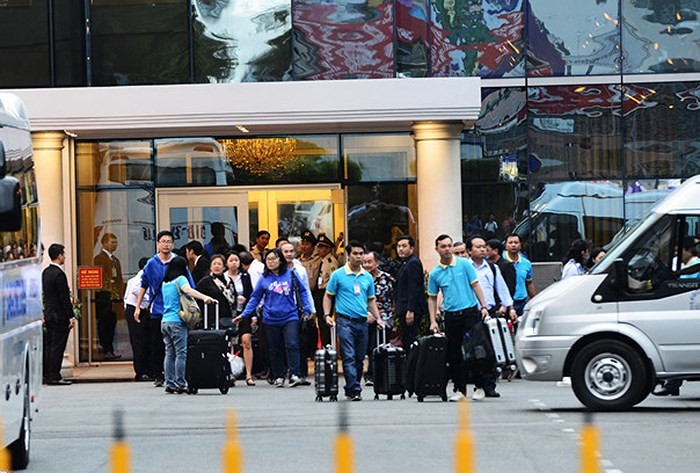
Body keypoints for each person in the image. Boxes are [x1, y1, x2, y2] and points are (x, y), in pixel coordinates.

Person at [233, 249, 311, 388]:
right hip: (270, 318)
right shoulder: (264, 278)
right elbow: (255, 298)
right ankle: (278, 375)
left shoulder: (291, 274)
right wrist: (244, 314)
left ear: (280, 260)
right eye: (268, 259)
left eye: (274, 259)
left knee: (292, 344)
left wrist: (307, 308)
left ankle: (294, 374)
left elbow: (303, 291)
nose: (271, 262)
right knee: (275, 348)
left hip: (290, 315)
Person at [427, 234, 490, 402]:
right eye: (443, 246)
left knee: (474, 350)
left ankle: (479, 386)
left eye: (449, 245)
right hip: (451, 315)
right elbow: (432, 297)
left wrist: (483, 306)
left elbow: (475, 285)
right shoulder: (435, 273)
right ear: (437, 249)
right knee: (454, 354)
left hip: (470, 312)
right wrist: (433, 321)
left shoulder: (464, 264)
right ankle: (460, 389)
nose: (447, 249)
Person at [323, 241, 386, 401]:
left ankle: (352, 386)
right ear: (348, 255)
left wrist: (378, 318)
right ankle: (354, 389)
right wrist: (326, 315)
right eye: (355, 253)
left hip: (362, 321)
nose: (358, 257)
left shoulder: (367, 277)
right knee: (349, 355)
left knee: (359, 357)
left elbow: (371, 300)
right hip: (345, 320)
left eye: (361, 254)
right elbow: (328, 295)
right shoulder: (338, 274)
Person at [135, 230, 195, 387]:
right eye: (163, 241)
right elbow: (144, 284)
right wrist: (138, 307)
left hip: (177, 310)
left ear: (173, 244)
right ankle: (159, 375)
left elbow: (189, 285)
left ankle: (177, 376)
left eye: (169, 241)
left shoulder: (178, 262)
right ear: (158, 244)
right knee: (158, 345)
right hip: (158, 309)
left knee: (178, 346)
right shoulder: (151, 263)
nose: (166, 244)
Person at [466, 236, 515, 398]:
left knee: (492, 350)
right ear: (469, 251)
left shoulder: (492, 268)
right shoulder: (466, 268)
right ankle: (478, 383)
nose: (482, 250)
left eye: (483, 247)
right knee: (476, 351)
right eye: (478, 247)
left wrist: (509, 307)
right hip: (472, 313)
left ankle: (489, 385)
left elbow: (502, 289)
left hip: (490, 313)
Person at [161, 256, 215, 393]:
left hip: (165, 321)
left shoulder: (165, 283)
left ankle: (170, 382)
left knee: (169, 352)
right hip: (177, 321)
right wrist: (205, 297)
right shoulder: (180, 279)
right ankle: (180, 383)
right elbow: (188, 290)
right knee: (181, 353)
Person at [280, 241, 315, 384]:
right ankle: (283, 373)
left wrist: (311, 309)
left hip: (298, 308)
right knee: (286, 343)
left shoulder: (300, 269)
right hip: (282, 309)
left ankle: (300, 373)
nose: (288, 254)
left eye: (291, 251)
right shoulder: (276, 269)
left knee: (300, 341)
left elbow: (306, 289)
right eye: (285, 251)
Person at [42, 243, 75, 385]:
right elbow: (64, 298)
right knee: (58, 346)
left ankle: (48, 374)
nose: (65, 256)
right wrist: (70, 316)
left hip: (49, 313)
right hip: (59, 315)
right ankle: (54, 375)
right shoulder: (59, 274)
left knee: (50, 345)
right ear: (59, 255)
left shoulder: (45, 272)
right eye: (63, 254)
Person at [362, 250, 395, 386]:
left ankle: (376, 374)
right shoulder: (360, 278)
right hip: (365, 317)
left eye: (370, 262)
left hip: (384, 318)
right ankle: (368, 375)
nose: (367, 265)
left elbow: (394, 299)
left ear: (377, 262)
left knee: (377, 346)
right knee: (367, 347)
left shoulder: (388, 279)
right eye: (365, 262)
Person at [225, 252, 256, 384]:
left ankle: (248, 374)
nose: (234, 263)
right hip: (228, 314)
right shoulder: (223, 278)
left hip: (244, 313)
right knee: (229, 343)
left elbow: (252, 296)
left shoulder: (245, 276)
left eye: (236, 260)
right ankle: (230, 372)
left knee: (246, 341)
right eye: (231, 260)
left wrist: (254, 315)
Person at [93, 232, 125, 360]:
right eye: (112, 242)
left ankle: (111, 348)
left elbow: (119, 279)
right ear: (104, 243)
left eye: (116, 242)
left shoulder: (115, 260)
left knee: (112, 323)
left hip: (115, 297)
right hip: (104, 297)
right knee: (104, 324)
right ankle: (105, 348)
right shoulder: (98, 259)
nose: (114, 245)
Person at [394, 235, 428, 349]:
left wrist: (410, 310)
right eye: (398, 246)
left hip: (410, 309)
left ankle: (413, 366)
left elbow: (415, 288)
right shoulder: (405, 263)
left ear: (412, 248)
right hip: (404, 308)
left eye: (404, 246)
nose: (400, 249)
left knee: (411, 341)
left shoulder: (413, 263)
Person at [124, 257, 153, 381]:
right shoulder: (142, 277)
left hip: (134, 309)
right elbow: (136, 290)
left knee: (141, 341)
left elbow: (126, 296)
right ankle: (141, 372)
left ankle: (144, 370)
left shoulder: (133, 279)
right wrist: (148, 299)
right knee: (140, 342)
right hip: (138, 310)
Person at [194, 254, 237, 329]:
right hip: (213, 319)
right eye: (214, 264)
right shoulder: (205, 281)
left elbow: (234, 296)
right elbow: (195, 296)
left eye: (219, 264)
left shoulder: (229, 281)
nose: (216, 266)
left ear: (224, 267)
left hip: (229, 317)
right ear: (210, 267)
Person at [315, 234, 340, 347]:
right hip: (319, 291)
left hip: (326, 292)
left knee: (326, 320)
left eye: (322, 247)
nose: (319, 249)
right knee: (320, 320)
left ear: (328, 249)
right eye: (319, 247)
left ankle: (328, 344)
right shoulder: (322, 260)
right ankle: (324, 343)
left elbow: (332, 279)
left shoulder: (331, 262)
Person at [504, 234, 537, 316]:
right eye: (510, 243)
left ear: (520, 245)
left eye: (516, 242)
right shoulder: (501, 262)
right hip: (505, 303)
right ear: (506, 246)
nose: (513, 245)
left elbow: (529, 283)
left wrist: (535, 301)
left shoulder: (526, 263)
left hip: (521, 302)